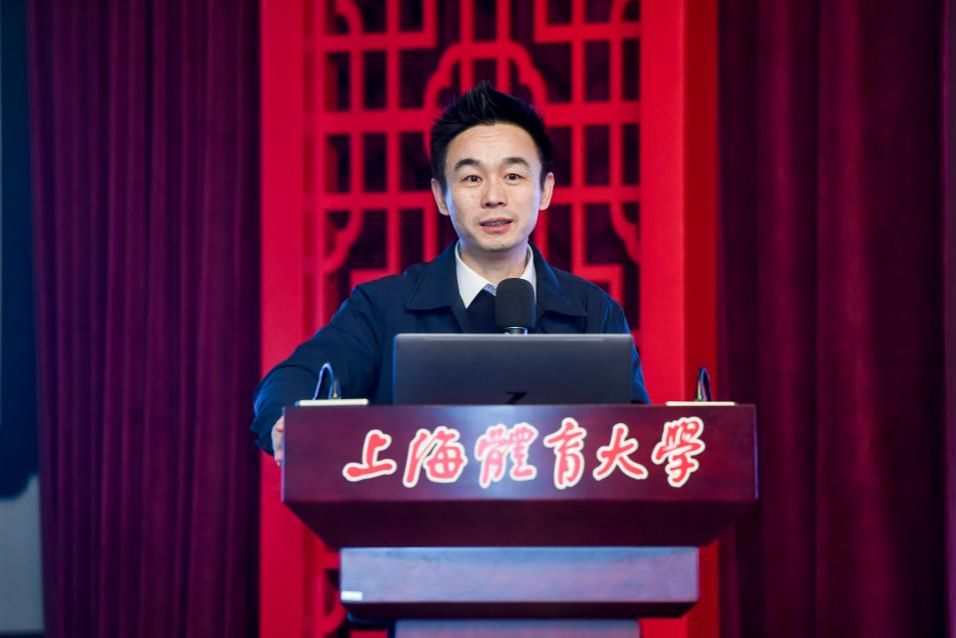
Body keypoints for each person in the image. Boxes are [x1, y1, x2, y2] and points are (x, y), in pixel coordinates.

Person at [253, 83, 650, 463]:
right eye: (472, 178)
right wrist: (287, 422)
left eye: (513, 176)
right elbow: (294, 379)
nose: (493, 196)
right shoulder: (382, 308)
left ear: (545, 190)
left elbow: (634, 437)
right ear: (441, 196)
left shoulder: (594, 312)